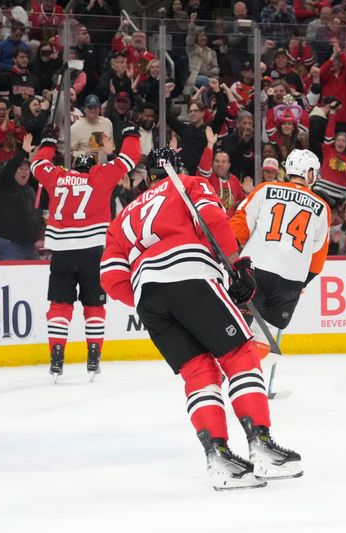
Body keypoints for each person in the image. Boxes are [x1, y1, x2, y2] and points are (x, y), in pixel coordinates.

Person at [100, 147, 303, 491]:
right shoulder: (189, 183)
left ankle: (219, 458)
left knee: (198, 372)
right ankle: (261, 446)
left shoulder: (121, 219)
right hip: (189, 275)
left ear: (148, 177)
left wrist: (149, 296)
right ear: (177, 168)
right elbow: (212, 219)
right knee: (240, 354)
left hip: (149, 298)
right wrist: (238, 264)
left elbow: (110, 275)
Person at [31, 123, 140, 379]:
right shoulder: (99, 175)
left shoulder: (57, 176)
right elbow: (129, 158)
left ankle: (56, 357)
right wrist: (130, 132)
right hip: (92, 253)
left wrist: (47, 141)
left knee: (59, 306)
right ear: (89, 168)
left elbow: (37, 164)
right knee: (94, 307)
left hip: (61, 254)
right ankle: (94, 357)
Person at [230, 149, 330, 374]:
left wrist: (228, 252)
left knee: (237, 327)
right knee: (263, 336)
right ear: (309, 173)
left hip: (255, 272)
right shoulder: (322, 207)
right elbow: (317, 258)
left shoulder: (266, 189)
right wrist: (303, 283)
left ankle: (237, 374)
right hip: (290, 283)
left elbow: (240, 223)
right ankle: (252, 375)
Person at [0, 133, 43, 260]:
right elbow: (8, 170)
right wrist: (23, 152)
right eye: (20, 169)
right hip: (8, 243)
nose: (24, 171)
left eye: (26, 169)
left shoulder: (30, 191)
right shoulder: (5, 185)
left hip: (28, 245)